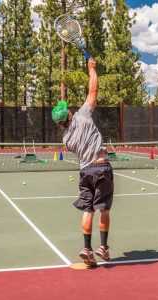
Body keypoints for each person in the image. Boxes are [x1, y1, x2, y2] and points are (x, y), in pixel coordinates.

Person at [51, 59, 113, 267]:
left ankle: (86, 247)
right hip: (101, 167)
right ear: (68, 114)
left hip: (85, 171)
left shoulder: (66, 140)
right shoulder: (83, 114)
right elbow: (93, 88)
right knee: (103, 209)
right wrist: (91, 69)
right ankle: (103, 247)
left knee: (88, 210)